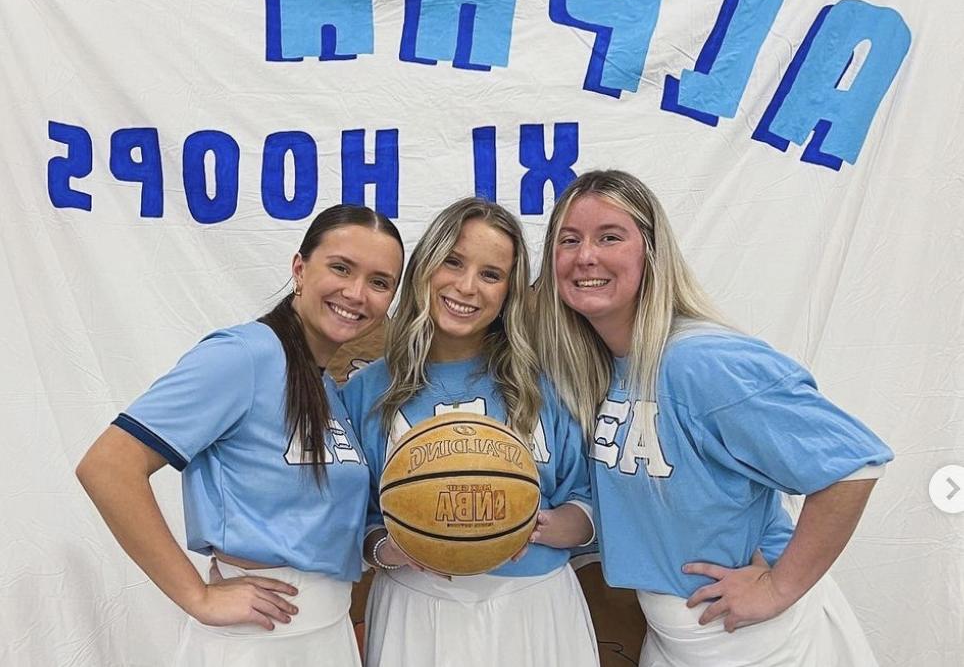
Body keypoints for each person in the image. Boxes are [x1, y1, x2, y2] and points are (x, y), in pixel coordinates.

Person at [532, 170, 894, 666]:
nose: (585, 256)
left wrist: (777, 586)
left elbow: (852, 466)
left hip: (756, 640)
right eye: (568, 241)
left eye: (609, 237)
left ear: (651, 253)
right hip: (673, 635)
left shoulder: (699, 360)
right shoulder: (604, 367)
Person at [75, 205, 404, 667]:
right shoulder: (244, 356)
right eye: (341, 268)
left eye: (379, 282)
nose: (356, 293)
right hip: (256, 641)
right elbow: (108, 466)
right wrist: (197, 596)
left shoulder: (328, 388)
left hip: (327, 635)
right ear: (300, 269)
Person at [341, 198, 599, 667]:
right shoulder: (364, 391)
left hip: (535, 607)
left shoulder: (546, 384)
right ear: (424, 267)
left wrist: (557, 526)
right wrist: (390, 547)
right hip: (416, 609)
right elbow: (349, 518)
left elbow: (589, 493)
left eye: (491, 274)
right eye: (453, 262)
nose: (466, 286)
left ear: (509, 292)